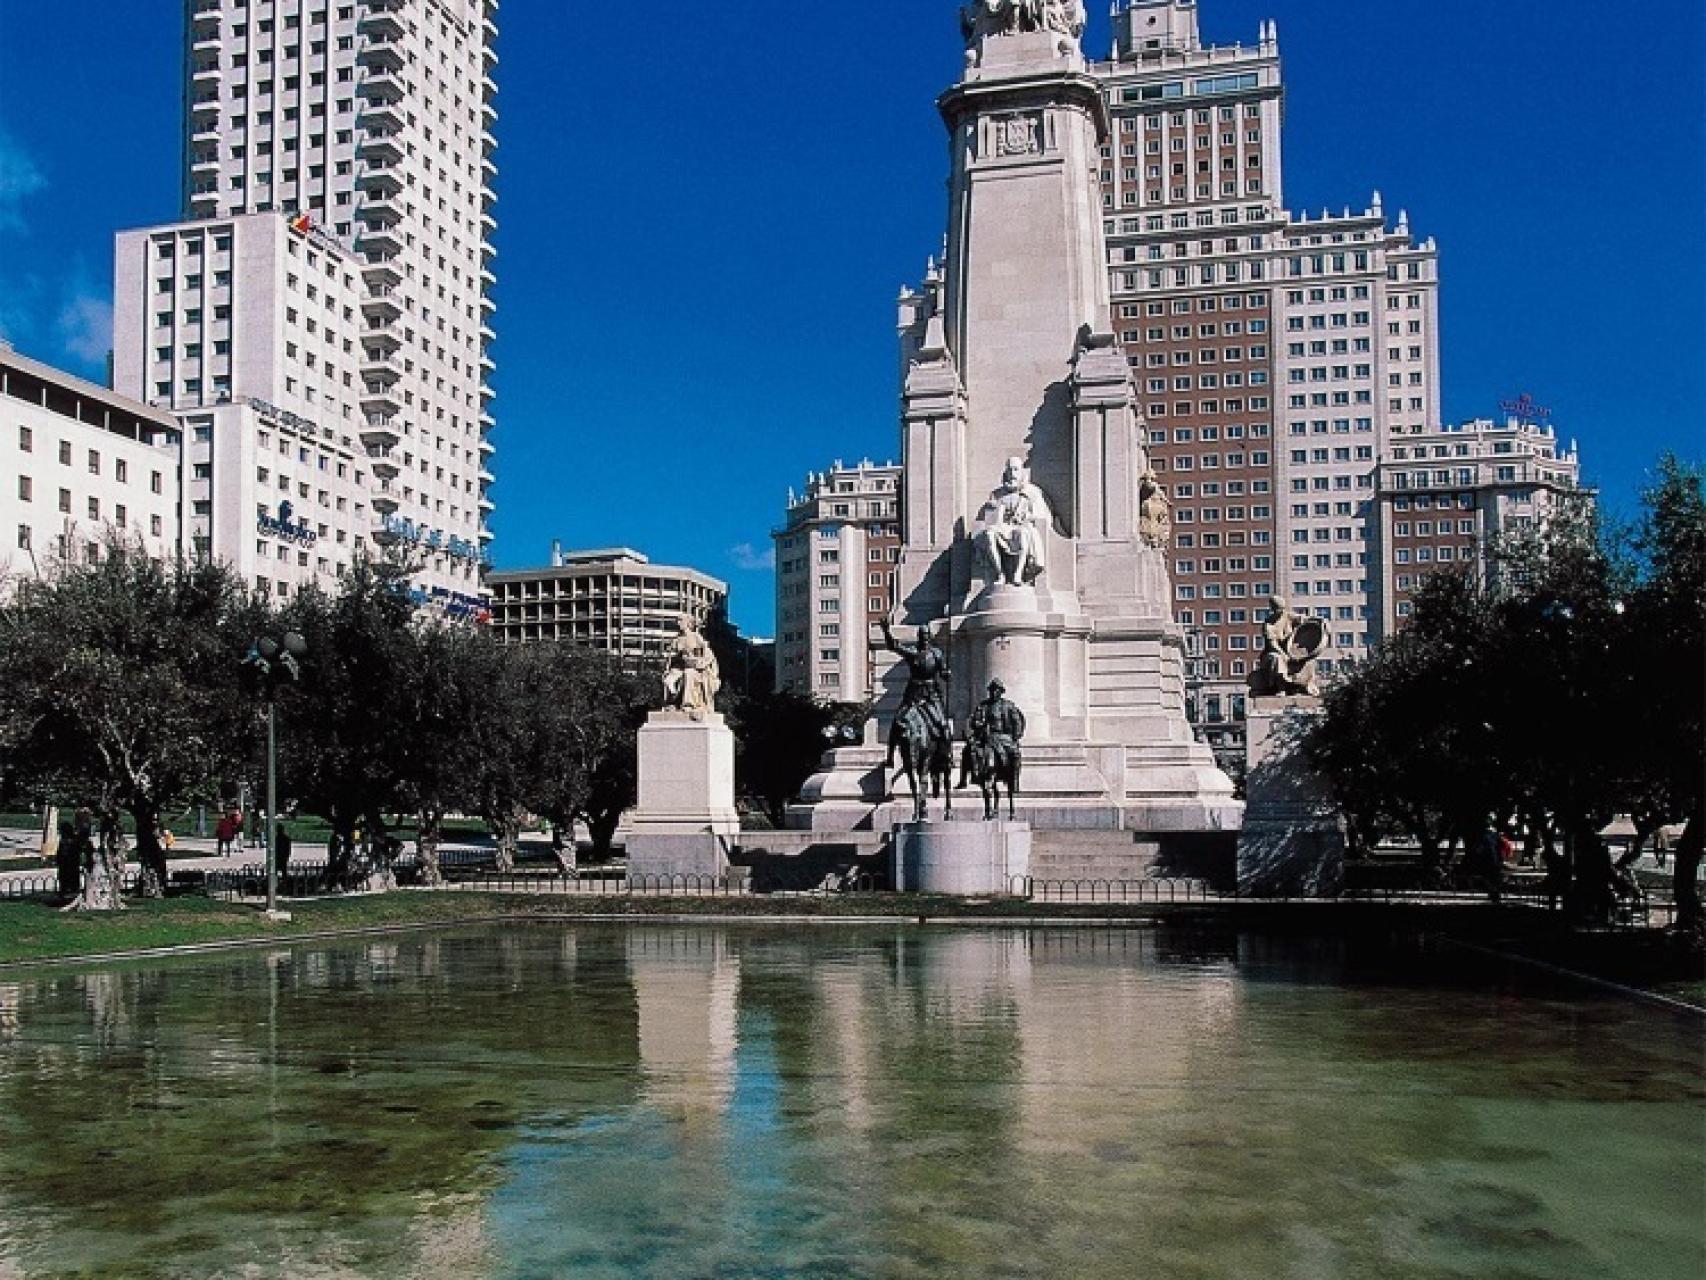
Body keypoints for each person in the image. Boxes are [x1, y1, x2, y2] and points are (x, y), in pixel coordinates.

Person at [881, 620, 951, 770]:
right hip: (914, 693)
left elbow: (942, 670)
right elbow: (894, 646)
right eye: (922, 636)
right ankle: (890, 756)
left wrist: (945, 674)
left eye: (926, 635)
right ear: (918, 637)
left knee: (943, 726)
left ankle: (946, 757)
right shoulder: (913, 652)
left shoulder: (937, 653)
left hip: (932, 693)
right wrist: (886, 631)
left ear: (930, 637)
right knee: (898, 721)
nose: (924, 638)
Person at [972, 457, 1053, 587]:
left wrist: (1026, 517)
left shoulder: (1032, 493)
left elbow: (1041, 516)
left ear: (1022, 472)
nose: (1012, 473)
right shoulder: (998, 494)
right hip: (1006, 527)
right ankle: (999, 573)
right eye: (1009, 469)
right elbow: (997, 519)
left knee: (1023, 535)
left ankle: (1018, 574)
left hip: (1024, 527)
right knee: (989, 534)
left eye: (1015, 469)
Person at [661, 615, 721, 720]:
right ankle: (672, 704)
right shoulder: (677, 640)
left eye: (680, 621)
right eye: (678, 621)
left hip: (697, 670)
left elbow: (708, 655)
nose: (678, 623)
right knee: (668, 680)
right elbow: (671, 659)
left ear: (688, 623)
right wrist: (669, 668)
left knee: (689, 673)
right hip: (680, 667)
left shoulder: (695, 637)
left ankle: (688, 704)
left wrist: (698, 663)